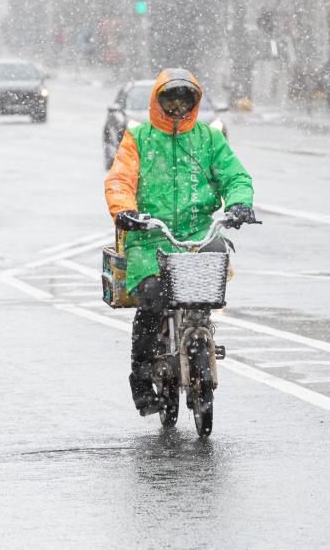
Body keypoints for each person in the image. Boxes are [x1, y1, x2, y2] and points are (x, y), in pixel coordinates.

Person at [104, 68, 256, 416]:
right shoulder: (138, 139)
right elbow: (119, 181)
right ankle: (141, 375)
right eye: (169, 100)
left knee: (208, 288)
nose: (177, 108)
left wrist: (239, 203)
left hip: (199, 235)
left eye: (184, 101)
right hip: (149, 239)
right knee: (153, 299)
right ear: (158, 102)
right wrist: (126, 211)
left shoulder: (209, 139)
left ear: (195, 102)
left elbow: (234, 175)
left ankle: (199, 334)